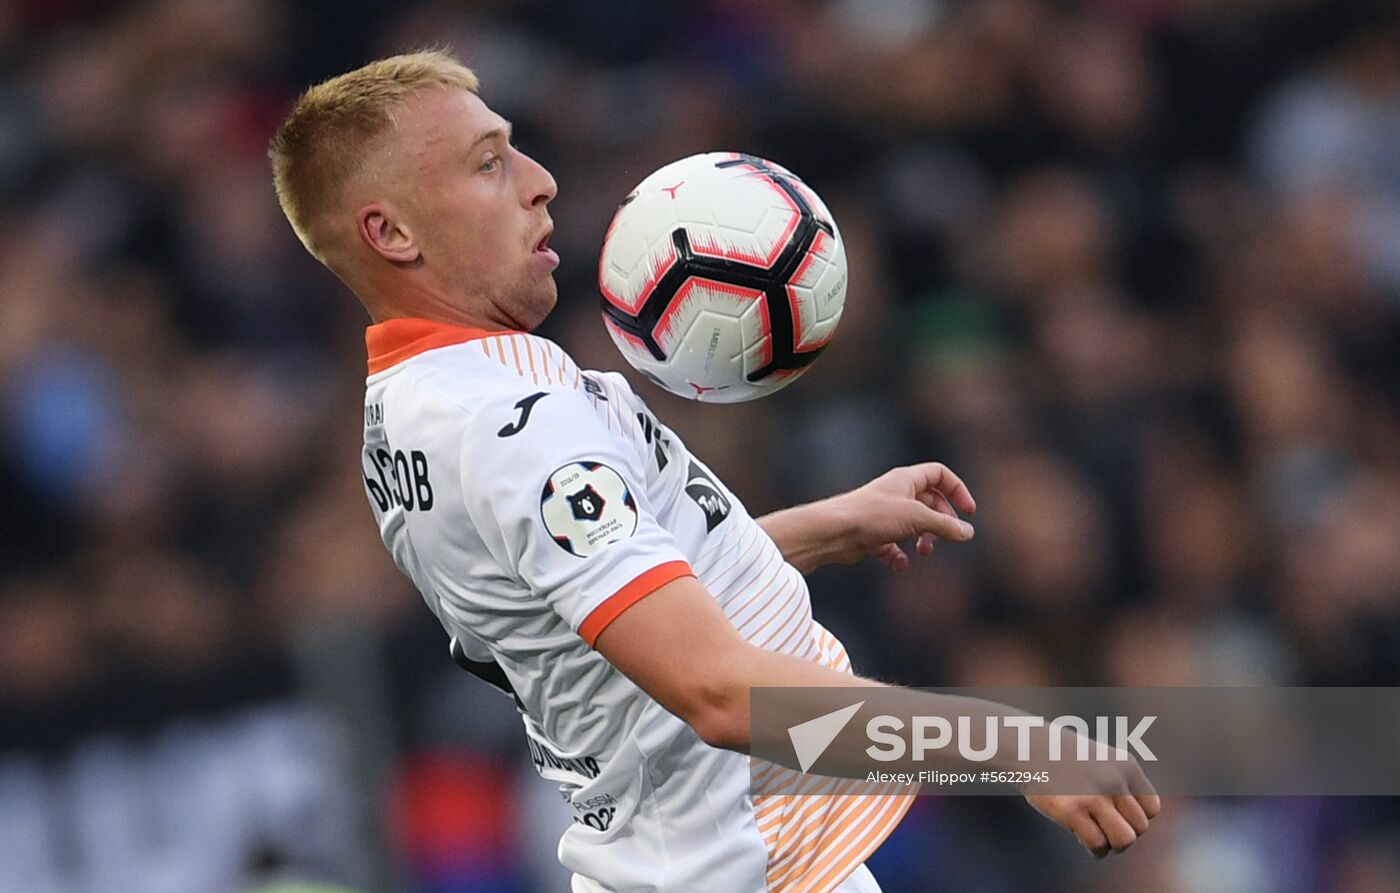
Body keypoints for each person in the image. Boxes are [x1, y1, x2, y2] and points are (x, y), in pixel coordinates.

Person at [268, 50, 1158, 892]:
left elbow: (602, 615)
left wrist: (829, 524)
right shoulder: (512, 427)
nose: (541, 181)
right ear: (390, 232)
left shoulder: (413, 407)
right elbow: (716, 688)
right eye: (488, 164)